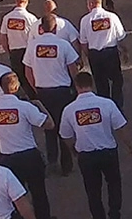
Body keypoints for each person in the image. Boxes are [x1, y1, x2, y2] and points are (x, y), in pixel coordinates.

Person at [59, 72, 132, 219]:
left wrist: (73, 150)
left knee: (92, 191)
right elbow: (121, 127)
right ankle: (114, 213)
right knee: (114, 184)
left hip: (86, 156)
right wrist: (131, 147)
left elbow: (66, 135)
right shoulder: (107, 104)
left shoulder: (69, 109)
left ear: (76, 86)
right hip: (108, 153)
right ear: (91, 84)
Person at [0, 72, 56, 219]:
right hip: (29, 156)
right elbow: (49, 125)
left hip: (8, 158)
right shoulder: (24, 106)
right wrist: (40, 106)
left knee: (15, 197)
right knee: (39, 194)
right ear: (17, 86)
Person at [23, 14, 79, 176]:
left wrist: (36, 89)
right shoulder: (63, 45)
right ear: (55, 28)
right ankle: (66, 165)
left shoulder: (33, 46)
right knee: (64, 126)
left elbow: (27, 71)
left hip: (43, 91)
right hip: (62, 92)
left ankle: (52, 160)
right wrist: (75, 87)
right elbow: (73, 68)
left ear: (40, 28)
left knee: (49, 127)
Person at [78, 0, 128, 109]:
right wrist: (125, 51)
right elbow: (120, 37)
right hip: (110, 53)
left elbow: (83, 42)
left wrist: (88, 56)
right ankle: (117, 105)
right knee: (117, 80)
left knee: (101, 84)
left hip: (95, 55)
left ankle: (105, 107)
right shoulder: (112, 16)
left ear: (90, 4)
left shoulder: (85, 20)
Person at [0, 0, 38, 99]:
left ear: (15, 1)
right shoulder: (31, 18)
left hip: (14, 52)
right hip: (28, 51)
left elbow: (3, 37)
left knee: (19, 78)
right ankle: (34, 97)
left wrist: (8, 51)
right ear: (27, 1)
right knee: (30, 76)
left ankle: (24, 97)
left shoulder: (7, 18)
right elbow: (36, 37)